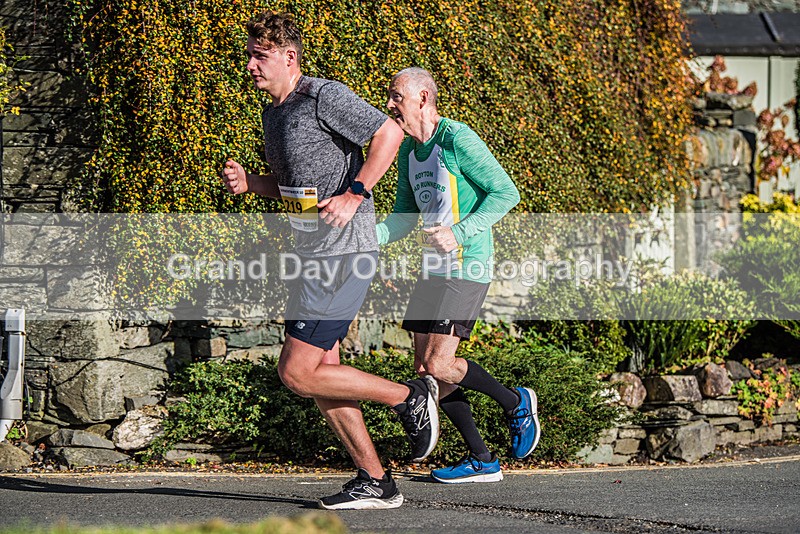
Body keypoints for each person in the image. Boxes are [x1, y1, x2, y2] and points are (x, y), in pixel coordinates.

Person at [222, 13, 440, 510]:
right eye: (250, 53)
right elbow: (298, 188)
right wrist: (251, 184)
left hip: (345, 253)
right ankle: (376, 480)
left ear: (289, 57)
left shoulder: (322, 95)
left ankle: (409, 397)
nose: (251, 64)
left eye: (261, 55)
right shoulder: (274, 113)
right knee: (324, 371)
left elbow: (389, 133)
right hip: (313, 255)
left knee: (297, 373)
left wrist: (356, 192)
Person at [376, 67, 541, 483]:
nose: (390, 104)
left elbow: (507, 192)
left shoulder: (456, 139)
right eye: (390, 96)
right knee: (424, 367)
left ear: (424, 99)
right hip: (433, 267)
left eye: (397, 96)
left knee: (439, 361)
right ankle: (482, 459)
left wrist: (459, 231)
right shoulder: (409, 152)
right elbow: (403, 217)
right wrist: (364, 238)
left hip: (468, 264)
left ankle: (515, 401)